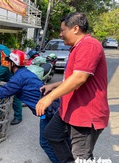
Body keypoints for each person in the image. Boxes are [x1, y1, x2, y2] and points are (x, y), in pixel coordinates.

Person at [35, 12, 110, 163]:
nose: (61, 34)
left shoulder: (89, 45)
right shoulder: (76, 47)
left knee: (82, 157)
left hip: (85, 115)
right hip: (69, 111)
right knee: (51, 134)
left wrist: (50, 97)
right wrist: (54, 86)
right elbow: (72, 78)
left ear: (75, 29)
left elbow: (79, 78)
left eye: (63, 30)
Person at [0, 50, 60, 163]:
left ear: (13, 64)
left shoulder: (18, 78)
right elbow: (9, 87)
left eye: (9, 62)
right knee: (59, 139)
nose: (7, 64)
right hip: (52, 107)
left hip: (49, 112)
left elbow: (3, 92)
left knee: (46, 142)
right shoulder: (26, 73)